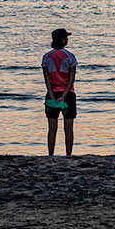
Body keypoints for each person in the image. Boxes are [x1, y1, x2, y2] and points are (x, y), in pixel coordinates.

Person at [42, 28, 77, 156]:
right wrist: (63, 96)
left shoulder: (46, 57)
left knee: (52, 128)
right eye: (66, 37)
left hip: (52, 93)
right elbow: (71, 80)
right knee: (68, 128)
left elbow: (47, 80)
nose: (67, 39)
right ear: (62, 40)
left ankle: (50, 154)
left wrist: (51, 95)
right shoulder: (70, 56)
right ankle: (68, 154)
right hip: (68, 95)